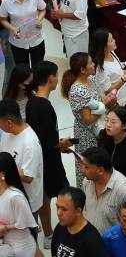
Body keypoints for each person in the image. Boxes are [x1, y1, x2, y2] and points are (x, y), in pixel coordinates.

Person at [26, 60, 69, 248]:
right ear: (51, 78)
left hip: (41, 160)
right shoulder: (44, 107)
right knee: (64, 195)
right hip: (50, 161)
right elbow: (49, 142)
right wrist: (63, 144)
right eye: (57, 75)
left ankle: (48, 234)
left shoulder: (32, 102)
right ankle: (62, 231)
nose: (58, 79)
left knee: (44, 197)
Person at [61, 52, 117, 187]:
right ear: (82, 69)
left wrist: (107, 101)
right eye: (90, 63)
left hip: (99, 129)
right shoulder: (77, 90)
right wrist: (103, 108)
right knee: (90, 167)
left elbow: (98, 100)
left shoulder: (90, 79)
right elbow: (87, 119)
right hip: (88, 135)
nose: (93, 65)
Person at [0, 99, 43, 218]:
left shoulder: (30, 142)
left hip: (26, 202)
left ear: (9, 123)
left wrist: (6, 170)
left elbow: (28, 177)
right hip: (9, 196)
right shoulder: (7, 134)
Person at [80, 146, 126, 233]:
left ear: (100, 170)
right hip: (90, 242)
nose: (82, 170)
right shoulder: (87, 181)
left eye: (86, 167)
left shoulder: (124, 191)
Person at [90, 29, 126, 123]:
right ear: (104, 47)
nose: (114, 41)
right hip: (116, 101)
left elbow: (118, 70)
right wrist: (124, 79)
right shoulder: (101, 68)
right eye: (111, 40)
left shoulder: (112, 53)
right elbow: (107, 90)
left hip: (124, 96)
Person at [0, 0, 46, 66]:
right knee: (23, 71)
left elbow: (43, 9)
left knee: (38, 69)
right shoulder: (6, 1)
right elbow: (2, 19)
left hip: (36, 39)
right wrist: (12, 28)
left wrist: (39, 19)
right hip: (18, 42)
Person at [0, 151, 38, 256]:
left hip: (21, 248)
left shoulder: (15, 196)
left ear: (2, 174)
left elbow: (24, 222)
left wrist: (4, 228)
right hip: (7, 244)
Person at [52, 187, 108, 256]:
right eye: (57, 207)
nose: (58, 213)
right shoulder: (60, 227)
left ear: (78, 211)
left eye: (64, 209)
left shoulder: (92, 241)